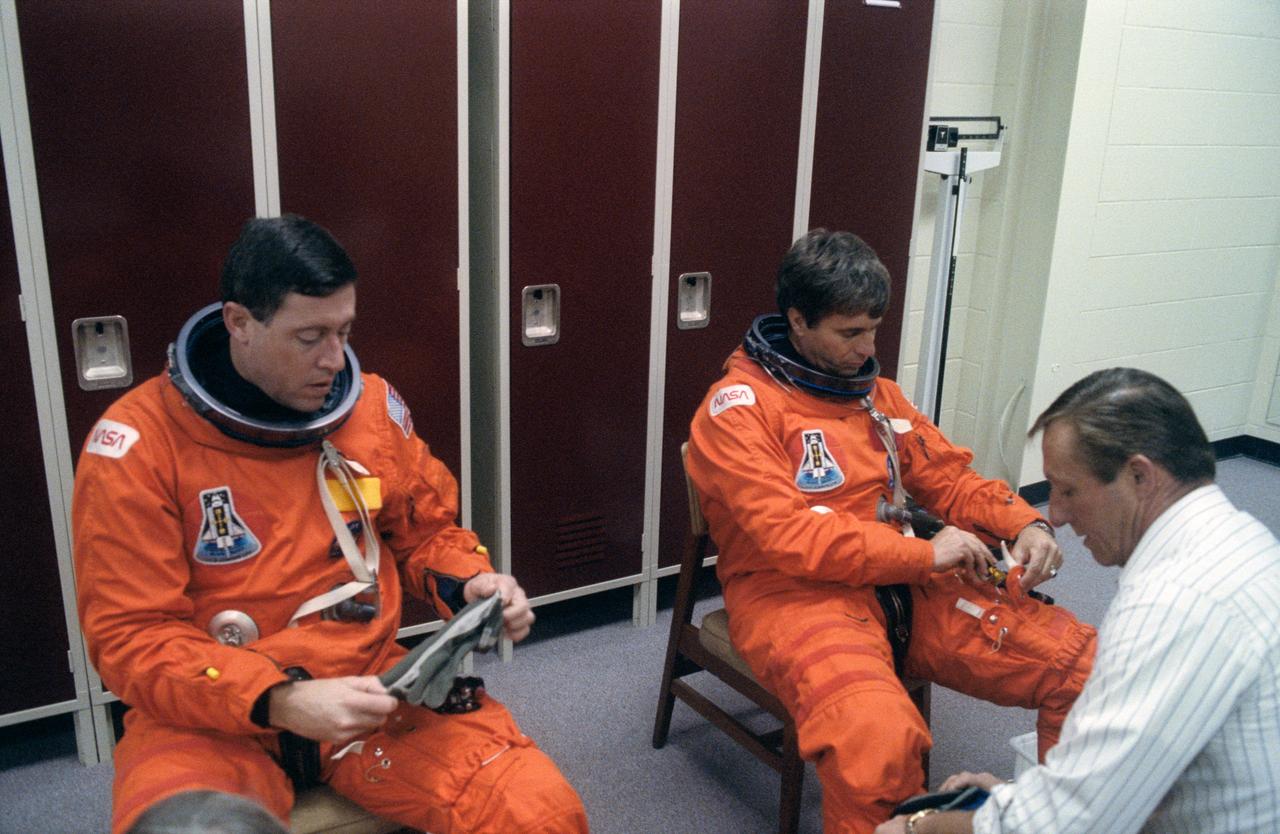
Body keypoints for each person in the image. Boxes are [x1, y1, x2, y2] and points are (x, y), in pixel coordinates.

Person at [73, 215, 588, 834]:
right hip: (208, 713)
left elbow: (426, 532)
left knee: (539, 814)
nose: (333, 359)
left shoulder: (367, 410)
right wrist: (279, 699)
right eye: (309, 336)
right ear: (239, 324)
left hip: (370, 689)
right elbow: (132, 635)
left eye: (344, 331)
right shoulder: (137, 447)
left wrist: (470, 583)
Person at [685, 229, 1097, 834]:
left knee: (1083, 670)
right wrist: (925, 554)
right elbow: (792, 539)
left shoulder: (877, 398)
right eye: (849, 333)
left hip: (904, 579)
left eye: (874, 328)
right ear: (797, 321)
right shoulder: (737, 411)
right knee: (875, 738)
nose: (867, 348)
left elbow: (949, 480)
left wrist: (1024, 521)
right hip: (794, 595)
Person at [876, 367, 1280, 834]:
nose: (1059, 515)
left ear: (1138, 477)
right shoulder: (1240, 543)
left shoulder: (1174, 604)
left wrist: (921, 826)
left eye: (1068, 490)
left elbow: (1073, 823)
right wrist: (1019, 795)